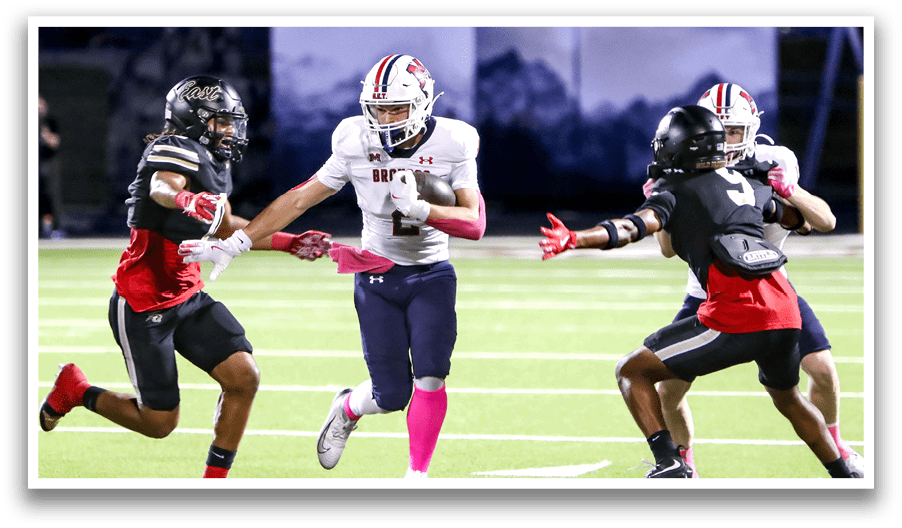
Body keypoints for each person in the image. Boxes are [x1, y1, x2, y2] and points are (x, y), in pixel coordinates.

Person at [178, 54, 486, 478]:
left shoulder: (454, 141)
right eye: (378, 108)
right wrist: (238, 241)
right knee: (391, 395)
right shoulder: (356, 139)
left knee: (431, 376)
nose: (386, 118)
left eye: (396, 108)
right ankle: (346, 408)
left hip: (431, 272)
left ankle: (417, 477)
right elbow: (301, 197)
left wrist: (422, 209)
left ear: (423, 104)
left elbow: (475, 224)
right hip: (376, 272)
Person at [539, 105, 859, 478]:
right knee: (788, 398)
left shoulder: (675, 190)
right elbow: (797, 220)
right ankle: (844, 474)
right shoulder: (749, 184)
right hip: (785, 309)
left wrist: (575, 238)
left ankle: (670, 462)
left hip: (734, 312)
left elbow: (628, 229)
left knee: (631, 371)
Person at [38, 76, 332, 478]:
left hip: (188, 294)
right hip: (143, 303)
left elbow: (226, 227)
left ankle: (214, 481)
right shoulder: (172, 148)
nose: (231, 130)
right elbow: (163, 186)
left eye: (232, 122)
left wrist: (287, 242)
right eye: (222, 121)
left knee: (244, 377)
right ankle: (76, 389)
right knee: (159, 423)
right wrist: (184, 198)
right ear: (194, 120)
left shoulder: (214, 161)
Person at [649, 83, 864, 477]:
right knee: (668, 389)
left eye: (735, 130)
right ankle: (684, 466)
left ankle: (835, 443)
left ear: (751, 129)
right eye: (720, 130)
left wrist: (791, 191)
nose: (728, 140)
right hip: (709, 290)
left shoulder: (774, 160)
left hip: (770, 286)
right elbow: (667, 250)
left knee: (824, 372)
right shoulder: (685, 169)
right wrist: (662, 209)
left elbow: (823, 222)